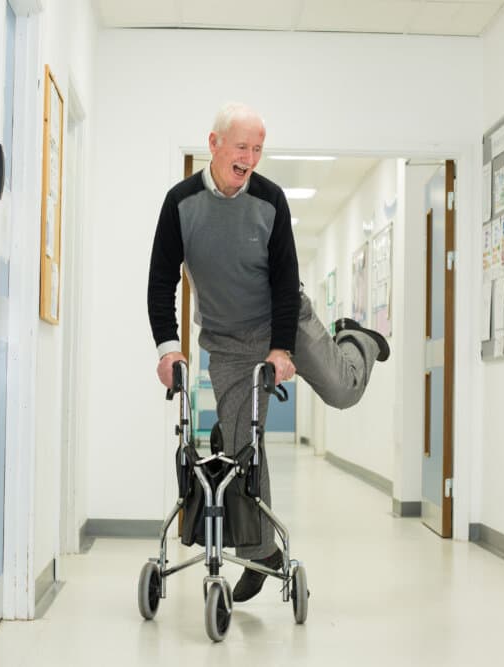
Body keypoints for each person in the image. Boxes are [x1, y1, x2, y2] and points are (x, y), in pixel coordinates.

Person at [147, 102, 390, 603]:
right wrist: (169, 348)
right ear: (214, 145)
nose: (251, 158)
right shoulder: (180, 204)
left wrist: (282, 349)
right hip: (228, 341)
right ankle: (261, 556)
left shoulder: (270, 200)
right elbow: (160, 280)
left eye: (258, 149)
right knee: (242, 454)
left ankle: (356, 339)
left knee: (343, 392)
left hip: (283, 317)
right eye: (243, 147)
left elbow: (284, 281)